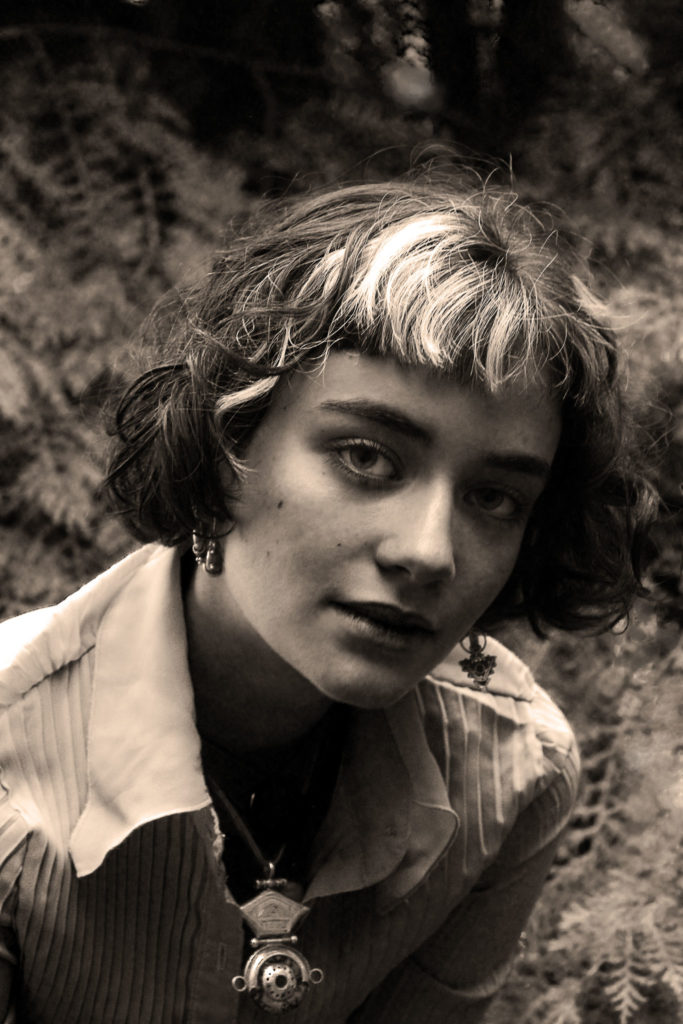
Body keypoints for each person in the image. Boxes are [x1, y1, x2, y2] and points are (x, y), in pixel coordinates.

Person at [0, 167, 655, 1024]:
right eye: (366, 457)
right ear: (226, 445)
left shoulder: (511, 775)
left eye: (494, 498)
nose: (428, 552)